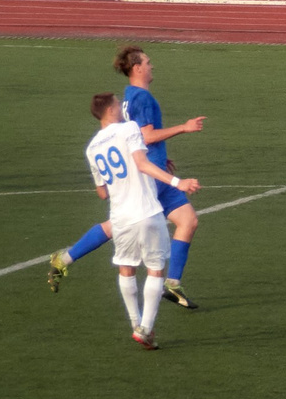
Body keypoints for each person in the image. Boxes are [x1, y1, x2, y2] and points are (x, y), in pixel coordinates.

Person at [48, 45, 205, 301]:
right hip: (149, 178)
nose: (152, 65)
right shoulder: (142, 98)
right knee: (118, 225)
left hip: (155, 170)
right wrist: (184, 128)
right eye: (148, 61)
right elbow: (146, 134)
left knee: (188, 221)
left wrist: (159, 155)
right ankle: (64, 258)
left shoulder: (130, 95)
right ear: (137, 67)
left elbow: (132, 135)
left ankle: (173, 283)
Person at [83, 92, 200, 350]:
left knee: (126, 269)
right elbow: (142, 163)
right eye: (117, 104)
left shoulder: (92, 147)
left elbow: (101, 192)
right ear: (112, 109)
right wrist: (178, 182)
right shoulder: (129, 128)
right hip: (146, 212)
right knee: (156, 270)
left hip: (120, 218)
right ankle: (145, 328)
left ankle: (135, 323)